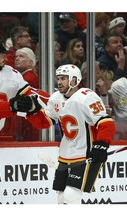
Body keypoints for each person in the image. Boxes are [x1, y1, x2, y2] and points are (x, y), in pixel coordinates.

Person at [40, 64, 115, 204]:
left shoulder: (87, 97)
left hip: (85, 154)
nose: (59, 82)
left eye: (63, 78)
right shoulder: (56, 98)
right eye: (58, 78)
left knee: (71, 195)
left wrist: (102, 145)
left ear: (74, 80)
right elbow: (44, 122)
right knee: (61, 197)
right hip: (65, 154)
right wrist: (30, 112)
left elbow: (106, 123)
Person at [0, 40, 54, 142]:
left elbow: (28, 92)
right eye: (3, 55)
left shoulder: (11, 73)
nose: (6, 58)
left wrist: (52, 100)